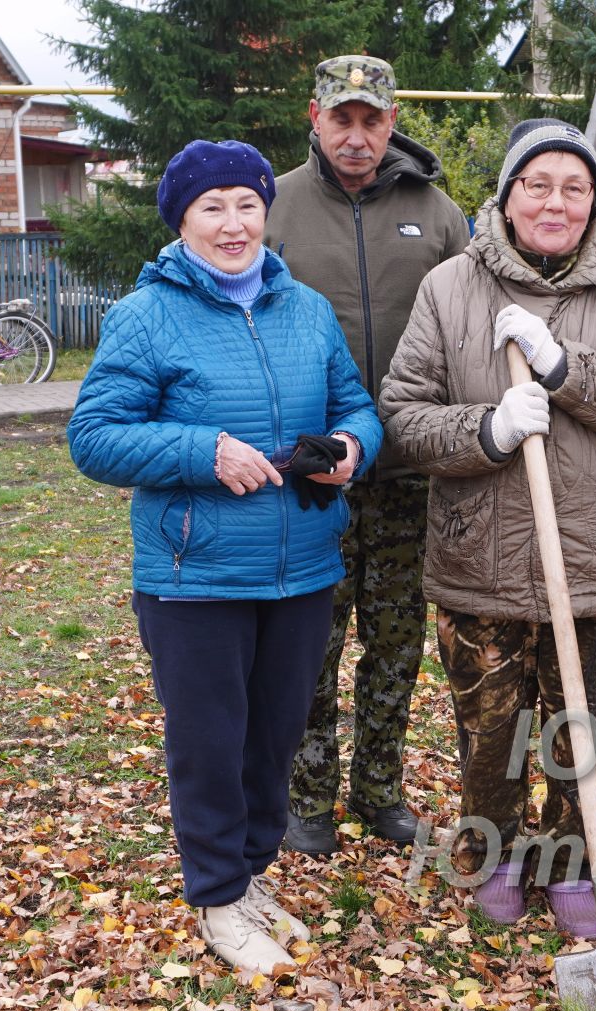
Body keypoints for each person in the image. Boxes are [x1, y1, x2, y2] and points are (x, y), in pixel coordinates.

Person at [65, 139, 383, 977]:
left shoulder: (304, 308)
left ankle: (246, 875)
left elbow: (353, 400)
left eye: (247, 204)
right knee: (210, 741)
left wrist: (355, 443)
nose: (234, 223)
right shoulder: (147, 315)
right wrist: (201, 450)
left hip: (302, 567)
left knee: (274, 736)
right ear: (182, 221)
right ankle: (215, 895)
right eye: (213, 208)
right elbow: (94, 439)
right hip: (194, 577)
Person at [378, 119, 596, 938]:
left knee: (588, 731)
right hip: (480, 559)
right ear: (508, 194)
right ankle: (496, 857)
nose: (555, 202)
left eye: (574, 187)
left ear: (594, 200)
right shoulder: (452, 286)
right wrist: (487, 430)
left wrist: (563, 368)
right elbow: (405, 419)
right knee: (490, 735)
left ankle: (576, 863)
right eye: (537, 184)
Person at [265, 55, 470, 855]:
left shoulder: (440, 214)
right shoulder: (272, 208)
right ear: (314, 117)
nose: (357, 136)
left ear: (392, 123)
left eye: (372, 120)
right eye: (341, 118)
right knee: (310, 637)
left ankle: (378, 788)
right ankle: (307, 794)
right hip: (310, 473)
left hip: (413, 473)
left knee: (395, 640)